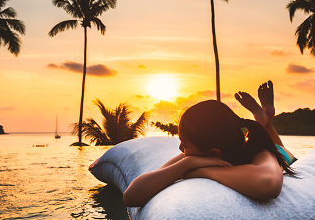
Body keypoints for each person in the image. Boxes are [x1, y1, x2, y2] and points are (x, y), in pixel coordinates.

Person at [123, 81, 296, 207]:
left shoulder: (261, 154)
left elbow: (268, 185)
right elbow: (131, 197)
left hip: (279, 152)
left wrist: (201, 171)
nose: (180, 149)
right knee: (262, 129)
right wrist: (187, 163)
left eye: (184, 143)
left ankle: (265, 120)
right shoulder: (196, 156)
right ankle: (263, 119)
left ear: (214, 153)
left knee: (280, 148)